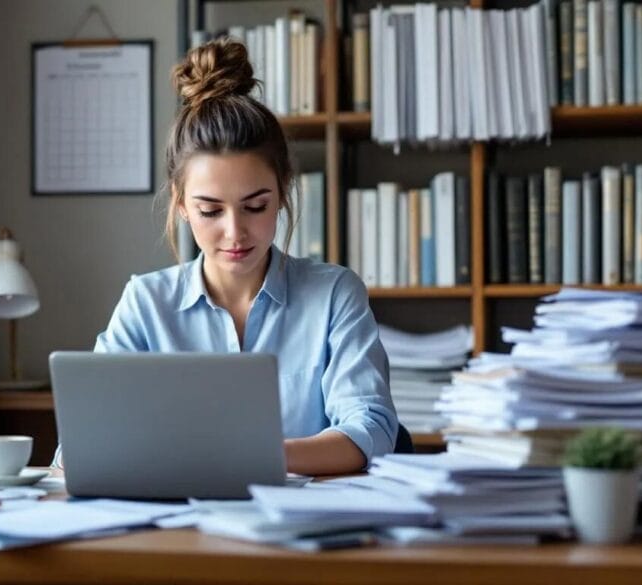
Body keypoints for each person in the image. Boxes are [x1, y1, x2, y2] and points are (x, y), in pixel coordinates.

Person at [71, 38, 397, 475]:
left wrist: (253, 457)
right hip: (176, 529)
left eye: (255, 206)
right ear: (182, 204)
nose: (235, 232)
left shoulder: (334, 295)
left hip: (298, 529)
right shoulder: (146, 304)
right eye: (210, 210)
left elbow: (370, 429)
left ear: (282, 191)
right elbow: (85, 439)